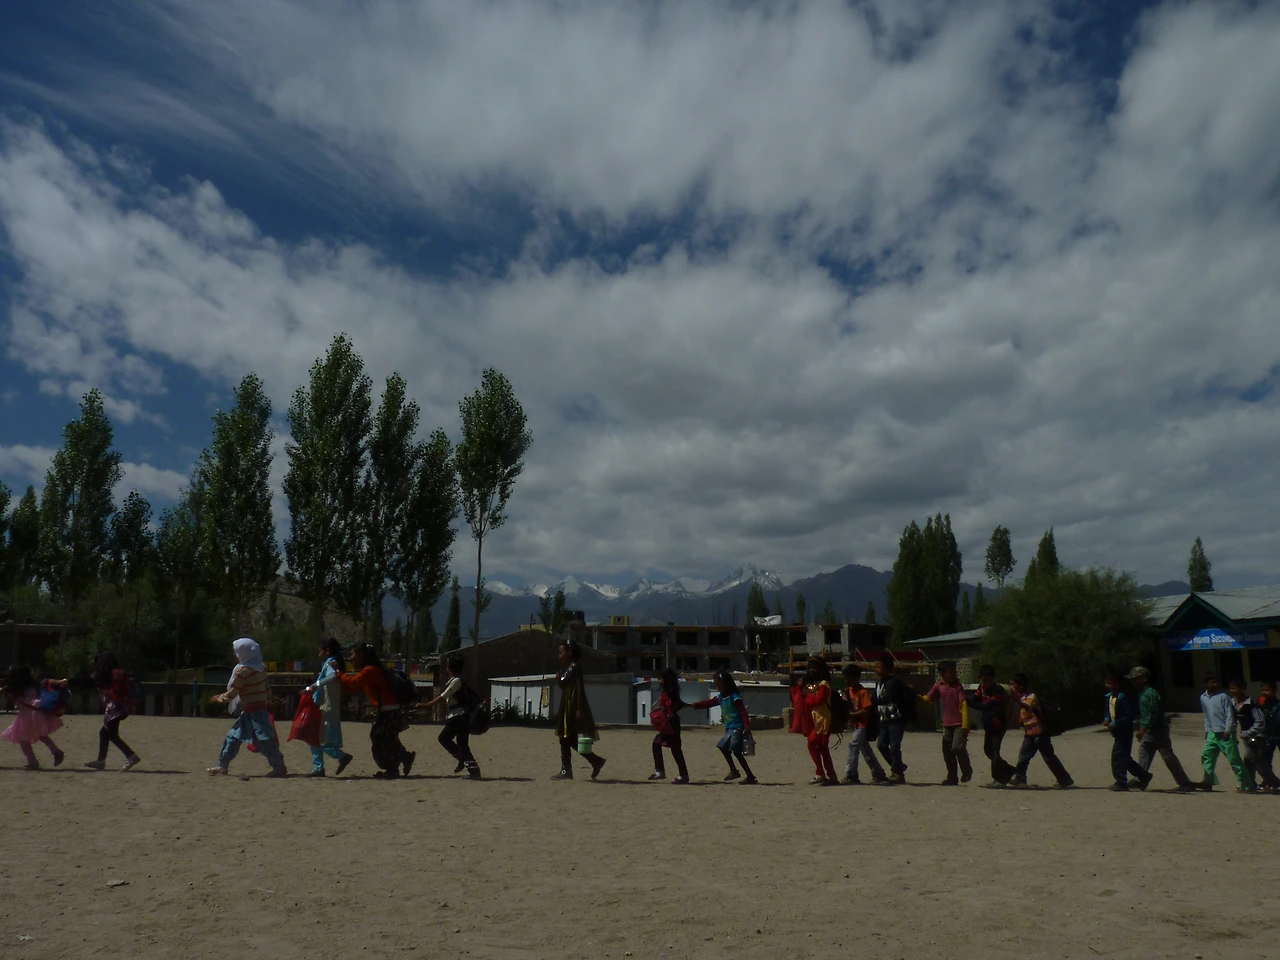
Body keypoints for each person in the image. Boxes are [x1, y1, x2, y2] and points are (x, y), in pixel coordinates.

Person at [207, 638, 288, 777]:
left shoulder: (243, 671)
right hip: (251, 712)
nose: (235, 655)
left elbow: (233, 692)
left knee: (265, 741)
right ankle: (222, 765)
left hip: (255, 713)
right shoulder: (261, 668)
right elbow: (267, 688)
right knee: (233, 737)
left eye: (237, 652)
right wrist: (268, 703)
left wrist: (218, 698)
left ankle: (279, 768)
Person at [338, 643, 415, 779]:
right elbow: (355, 686)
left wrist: (337, 673)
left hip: (388, 712)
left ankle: (393, 767)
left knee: (379, 741)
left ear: (362, 655)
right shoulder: (372, 670)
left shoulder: (370, 670)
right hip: (389, 711)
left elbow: (352, 682)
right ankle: (403, 758)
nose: (351, 658)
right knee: (388, 739)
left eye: (353, 654)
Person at [1127, 666, 1194, 791]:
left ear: (1144, 679)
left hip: (1157, 730)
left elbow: (1152, 713)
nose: (1133, 682)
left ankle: (1184, 783)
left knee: (1167, 755)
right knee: (1145, 752)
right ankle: (1140, 778)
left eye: (1136, 679)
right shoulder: (1142, 693)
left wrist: (1143, 729)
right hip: (1151, 730)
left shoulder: (1150, 693)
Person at [421, 653, 481, 780]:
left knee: (445, 738)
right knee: (461, 744)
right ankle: (471, 768)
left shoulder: (456, 681)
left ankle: (466, 763)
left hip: (459, 717)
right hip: (459, 717)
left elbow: (443, 696)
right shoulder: (455, 681)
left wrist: (426, 705)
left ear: (449, 667)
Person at [79, 652, 141, 772]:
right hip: (121, 707)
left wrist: (66, 681)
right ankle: (101, 761)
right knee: (104, 733)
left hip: (113, 708)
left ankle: (131, 756)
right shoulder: (116, 673)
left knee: (111, 734)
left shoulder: (105, 674)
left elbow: (87, 682)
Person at [300, 639, 354, 778]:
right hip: (323, 706)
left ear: (327, 651)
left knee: (321, 739)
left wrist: (314, 686)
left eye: (320, 651)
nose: (319, 654)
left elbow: (332, 677)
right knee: (314, 737)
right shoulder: (330, 663)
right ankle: (318, 767)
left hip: (326, 707)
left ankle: (341, 756)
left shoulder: (331, 663)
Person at [1009, 673, 1073, 788]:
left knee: (1048, 757)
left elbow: (1028, 707)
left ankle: (1064, 779)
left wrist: (1017, 700)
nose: (1011, 687)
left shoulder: (1031, 696)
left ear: (1021, 685)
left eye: (1013, 684)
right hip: (1030, 734)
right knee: (1024, 756)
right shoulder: (1022, 697)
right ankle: (1020, 779)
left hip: (1039, 733)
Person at [553, 641, 606, 780]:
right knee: (567, 739)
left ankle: (569, 770)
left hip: (572, 705)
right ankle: (593, 761)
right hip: (567, 704)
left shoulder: (576, 667)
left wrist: (579, 708)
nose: (560, 656)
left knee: (567, 738)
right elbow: (564, 686)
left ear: (569, 652)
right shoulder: (568, 668)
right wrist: (558, 679)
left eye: (561, 653)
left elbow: (580, 687)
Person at [692, 670, 756, 784]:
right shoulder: (721, 697)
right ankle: (736, 771)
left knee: (735, 751)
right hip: (729, 728)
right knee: (724, 747)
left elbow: (743, 712)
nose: (717, 687)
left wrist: (747, 726)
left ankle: (747, 775)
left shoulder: (734, 697)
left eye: (718, 685)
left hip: (737, 727)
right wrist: (694, 705)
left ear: (726, 684)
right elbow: (709, 703)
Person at [1, 665, 66, 770]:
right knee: (41, 734)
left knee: (23, 739)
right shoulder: (33, 685)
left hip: (26, 715)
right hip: (37, 712)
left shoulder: (14, 689)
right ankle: (56, 751)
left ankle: (33, 762)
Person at [923, 660, 972, 785]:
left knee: (957, 747)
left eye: (954, 672)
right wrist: (918, 698)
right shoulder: (939, 686)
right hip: (947, 724)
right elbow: (929, 699)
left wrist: (966, 724)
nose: (954, 675)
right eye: (951, 673)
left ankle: (967, 770)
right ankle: (952, 777)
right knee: (947, 752)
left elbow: (963, 704)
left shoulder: (958, 687)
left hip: (959, 723)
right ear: (942, 673)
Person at [789, 657, 837, 785]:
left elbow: (818, 700)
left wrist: (807, 695)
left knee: (819, 746)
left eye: (815, 668)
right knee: (817, 745)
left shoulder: (824, 685)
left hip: (825, 720)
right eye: (810, 668)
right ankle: (823, 773)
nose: (812, 670)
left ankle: (828, 775)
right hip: (817, 720)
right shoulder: (814, 684)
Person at [966, 665, 1015, 787]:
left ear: (993, 679)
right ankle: (1008, 769)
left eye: (988, 680)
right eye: (984, 680)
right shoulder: (981, 688)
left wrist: (971, 703)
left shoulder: (998, 690)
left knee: (994, 751)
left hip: (998, 725)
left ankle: (998, 779)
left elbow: (988, 706)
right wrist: (969, 701)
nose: (985, 683)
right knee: (988, 750)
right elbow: (974, 699)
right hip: (988, 725)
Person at [1198, 671, 1245, 792]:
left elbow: (1230, 715)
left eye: (1217, 682)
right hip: (1212, 732)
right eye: (1213, 682)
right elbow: (1206, 715)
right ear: (1206, 684)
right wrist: (1207, 730)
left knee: (1234, 759)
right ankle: (1208, 781)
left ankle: (1245, 784)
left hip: (1225, 733)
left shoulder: (1223, 697)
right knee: (1206, 755)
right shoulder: (1203, 698)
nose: (1216, 684)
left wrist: (1228, 730)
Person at [1102, 671, 1150, 792]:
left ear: (1117, 684)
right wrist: (1107, 719)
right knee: (1124, 756)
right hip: (1116, 731)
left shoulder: (1124, 698)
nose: (1107, 685)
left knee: (1118, 756)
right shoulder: (1109, 697)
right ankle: (1143, 776)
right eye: (1106, 683)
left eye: (1109, 683)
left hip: (1124, 730)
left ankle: (1121, 781)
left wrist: (1115, 723)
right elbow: (1108, 711)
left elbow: (1128, 716)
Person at [840, 664, 886, 784]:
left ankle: (851, 774)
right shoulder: (848, 691)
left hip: (863, 724)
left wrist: (853, 714)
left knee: (853, 745)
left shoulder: (862, 692)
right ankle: (878, 773)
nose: (847, 681)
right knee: (865, 750)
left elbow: (866, 710)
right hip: (856, 725)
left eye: (849, 678)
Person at [872, 655, 913, 783]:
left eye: (879, 667)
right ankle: (898, 766)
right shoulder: (879, 683)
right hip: (884, 719)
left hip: (896, 719)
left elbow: (886, 699)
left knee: (894, 746)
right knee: (881, 745)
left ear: (888, 668)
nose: (876, 669)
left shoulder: (893, 683)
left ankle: (897, 773)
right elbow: (875, 697)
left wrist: (873, 701)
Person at [648, 669, 692, 784]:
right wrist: (658, 710)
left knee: (674, 748)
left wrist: (670, 713)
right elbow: (666, 707)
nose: (659, 681)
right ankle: (663, 771)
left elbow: (677, 705)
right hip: (668, 723)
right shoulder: (666, 692)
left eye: (661, 678)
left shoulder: (671, 693)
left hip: (672, 724)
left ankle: (680, 775)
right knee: (660, 745)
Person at [1231, 678, 1266, 793]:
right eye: (1231, 688)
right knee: (1258, 763)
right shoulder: (1232, 703)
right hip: (1246, 736)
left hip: (1256, 736)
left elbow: (1260, 721)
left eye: (1235, 688)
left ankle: (1248, 784)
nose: (1232, 691)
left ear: (1243, 689)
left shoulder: (1251, 704)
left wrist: (1248, 732)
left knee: (1249, 759)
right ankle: (1269, 782)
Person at [1255, 680, 1280, 793]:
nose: (1264, 692)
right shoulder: (1261, 702)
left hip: (1278, 733)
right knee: (1265, 760)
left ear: (1274, 691)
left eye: (1267, 690)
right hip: (1267, 735)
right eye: (1262, 690)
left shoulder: (1278, 705)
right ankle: (1269, 781)